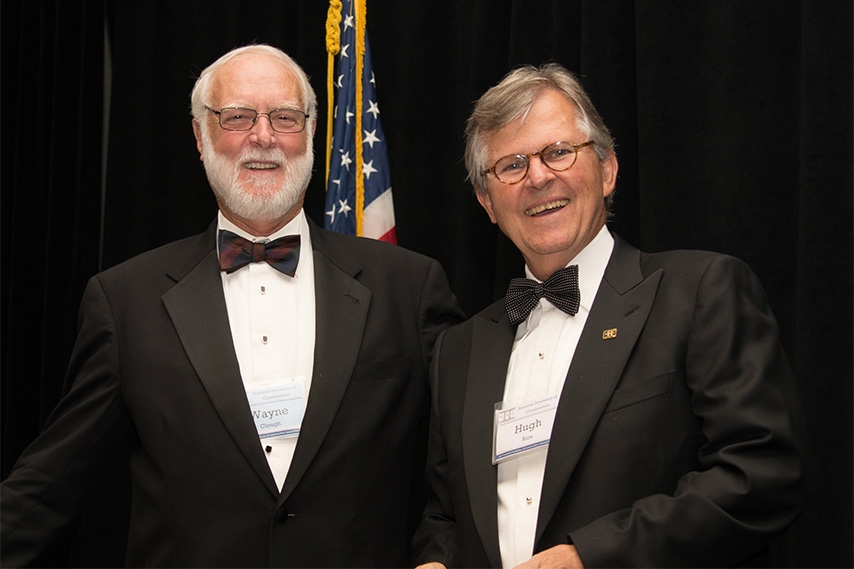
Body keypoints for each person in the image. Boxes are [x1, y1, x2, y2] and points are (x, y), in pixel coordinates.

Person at [0, 44, 463, 568]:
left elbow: (459, 464)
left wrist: (440, 557)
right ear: (200, 137)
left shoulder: (408, 287)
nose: (263, 137)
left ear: (311, 132)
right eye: (237, 117)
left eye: (284, 117)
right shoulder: (125, 301)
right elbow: (51, 482)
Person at [411, 63, 807, 568]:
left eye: (558, 152)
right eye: (511, 166)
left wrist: (589, 558)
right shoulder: (459, 350)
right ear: (487, 202)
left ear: (607, 170)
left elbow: (762, 472)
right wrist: (436, 560)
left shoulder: (699, 291)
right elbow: (444, 515)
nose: (537, 177)